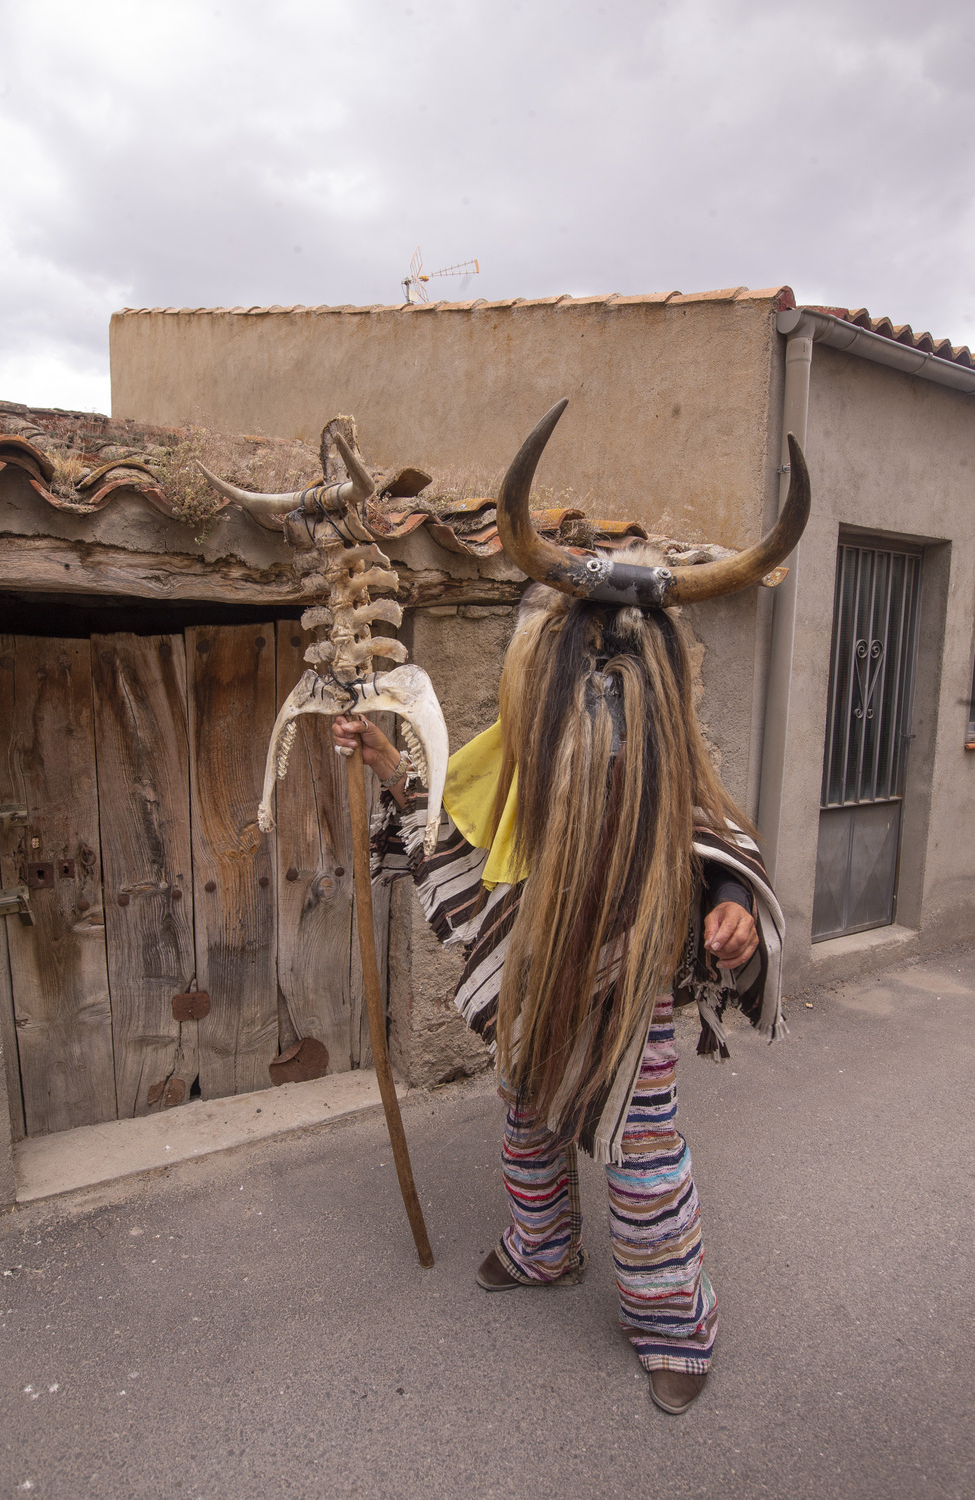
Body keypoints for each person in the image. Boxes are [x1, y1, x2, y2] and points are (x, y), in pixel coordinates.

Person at [332, 403, 801, 1416]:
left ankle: (676, 1326)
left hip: (634, 989)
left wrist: (728, 908)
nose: (604, 671)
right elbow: (457, 833)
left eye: (624, 653)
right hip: (540, 976)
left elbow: (718, 840)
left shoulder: (669, 752)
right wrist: (389, 766)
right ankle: (540, 1249)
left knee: (641, 1157)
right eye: (583, 648)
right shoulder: (513, 752)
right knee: (526, 1121)